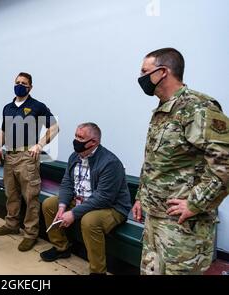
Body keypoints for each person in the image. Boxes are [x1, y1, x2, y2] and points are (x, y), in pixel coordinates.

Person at [133, 47, 229, 275]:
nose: (140, 77)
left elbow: (224, 164)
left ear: (163, 72)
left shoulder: (198, 107)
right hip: (155, 219)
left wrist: (195, 203)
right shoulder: (163, 110)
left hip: (182, 227)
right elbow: (154, 161)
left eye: (144, 71)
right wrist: (140, 197)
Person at [40, 123, 131, 274]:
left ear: (94, 142)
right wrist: (62, 206)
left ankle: (97, 271)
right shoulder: (74, 157)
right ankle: (61, 247)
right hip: (81, 200)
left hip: (111, 207)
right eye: (75, 135)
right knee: (50, 204)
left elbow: (103, 198)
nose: (76, 140)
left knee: (89, 221)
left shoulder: (110, 163)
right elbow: (67, 183)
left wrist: (74, 213)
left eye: (80, 137)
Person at [0, 72, 59, 252]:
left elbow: (55, 127)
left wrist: (39, 144)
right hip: (9, 157)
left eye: (24, 83)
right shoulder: (8, 107)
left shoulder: (37, 106)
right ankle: (11, 224)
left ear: (30, 87)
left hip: (27, 158)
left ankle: (31, 234)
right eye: (17, 82)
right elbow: (3, 131)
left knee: (30, 197)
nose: (20, 85)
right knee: (11, 194)